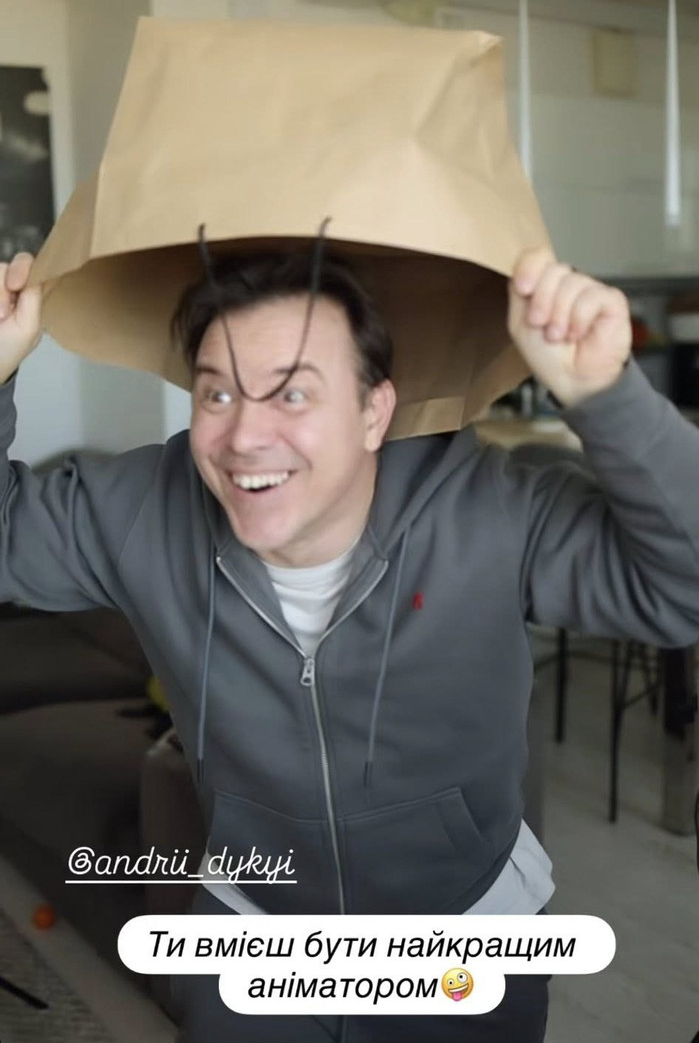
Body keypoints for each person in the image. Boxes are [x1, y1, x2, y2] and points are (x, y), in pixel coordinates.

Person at [1, 242, 698, 1043]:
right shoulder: (143, 510)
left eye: (292, 392)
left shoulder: (492, 512)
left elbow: (684, 588)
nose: (244, 436)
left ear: (374, 411)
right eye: (217, 392)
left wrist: (607, 397)